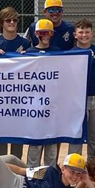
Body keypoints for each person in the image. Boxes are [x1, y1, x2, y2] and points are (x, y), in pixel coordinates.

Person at [0, 7, 32, 158]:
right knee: (1, 132)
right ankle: (1, 167)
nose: (12, 23)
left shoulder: (25, 43)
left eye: (15, 20)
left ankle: (15, 169)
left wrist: (28, 57)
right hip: (0, 97)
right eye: (8, 20)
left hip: (19, 96)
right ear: (1, 23)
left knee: (17, 133)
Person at [67, 19, 95, 158]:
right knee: (76, 135)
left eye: (87, 32)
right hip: (78, 99)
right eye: (81, 32)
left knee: (94, 137)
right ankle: (74, 168)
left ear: (92, 34)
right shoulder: (69, 54)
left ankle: (93, 168)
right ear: (75, 35)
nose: (84, 35)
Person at [25, 18, 60, 167]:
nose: (46, 36)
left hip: (53, 102)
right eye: (42, 33)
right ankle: (32, 174)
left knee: (52, 141)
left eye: (49, 33)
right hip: (35, 103)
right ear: (36, 34)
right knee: (36, 142)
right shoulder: (28, 53)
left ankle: (50, 173)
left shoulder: (58, 52)